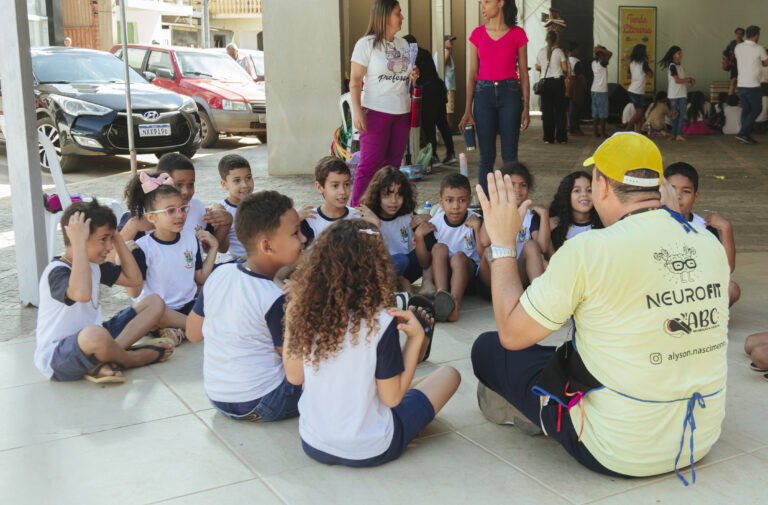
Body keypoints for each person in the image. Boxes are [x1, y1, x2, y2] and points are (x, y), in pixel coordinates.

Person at [472, 132, 729, 484]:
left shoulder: (589, 249)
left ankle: (529, 410)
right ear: (660, 188)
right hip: (699, 439)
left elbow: (513, 334)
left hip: (618, 450)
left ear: (602, 187)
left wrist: (502, 243)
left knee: (489, 348)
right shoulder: (707, 243)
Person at [283, 218, 460, 467]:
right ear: (377, 268)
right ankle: (417, 352)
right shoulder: (381, 322)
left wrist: (293, 312)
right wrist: (415, 340)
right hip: (370, 447)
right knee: (449, 375)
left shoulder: (300, 310)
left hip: (314, 442)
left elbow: (294, 376)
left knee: (380, 384)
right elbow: (391, 399)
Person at [186, 191, 305, 421]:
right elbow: (295, 371)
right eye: (295, 233)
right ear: (267, 246)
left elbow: (192, 333)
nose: (302, 239)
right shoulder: (275, 297)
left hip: (218, 397)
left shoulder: (220, 273)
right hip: (264, 401)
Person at [34, 201, 173, 384]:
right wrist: (78, 243)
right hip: (59, 356)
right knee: (94, 335)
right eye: (103, 239)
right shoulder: (56, 271)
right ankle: (131, 359)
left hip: (98, 337)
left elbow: (134, 281)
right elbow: (82, 293)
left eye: (110, 239)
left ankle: (107, 358)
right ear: (79, 239)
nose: (109, 247)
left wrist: (117, 238)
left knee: (154, 302)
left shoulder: (94, 266)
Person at [125, 173, 218, 344]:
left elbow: (200, 278)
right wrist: (124, 259)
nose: (180, 215)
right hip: (161, 310)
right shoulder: (143, 247)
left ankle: (179, 329)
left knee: (218, 301)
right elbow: (135, 293)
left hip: (189, 305)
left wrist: (214, 248)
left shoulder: (190, 238)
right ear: (151, 217)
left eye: (182, 208)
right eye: (170, 211)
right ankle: (195, 327)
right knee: (153, 314)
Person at [349, 0, 419, 207]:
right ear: (385, 16)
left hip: (401, 113)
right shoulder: (366, 44)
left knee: (393, 168)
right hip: (375, 112)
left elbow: (405, 75)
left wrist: (413, 74)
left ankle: (386, 211)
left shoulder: (403, 44)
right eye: (398, 13)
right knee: (369, 166)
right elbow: (354, 81)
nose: (402, 18)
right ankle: (355, 213)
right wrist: (357, 111)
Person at [460, 0, 530, 197]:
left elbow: (523, 72)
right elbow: (472, 74)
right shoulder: (477, 34)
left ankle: (510, 203)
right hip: (483, 94)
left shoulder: (518, 34)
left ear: (501, 3)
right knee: (486, 157)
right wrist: (467, 109)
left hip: (511, 93)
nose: (482, 6)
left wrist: (526, 105)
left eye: (486, 2)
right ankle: (486, 206)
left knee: (510, 157)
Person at [118, 153, 231, 254]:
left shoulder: (197, 207)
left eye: (191, 184)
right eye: (178, 184)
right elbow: (110, 259)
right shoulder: (138, 215)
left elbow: (215, 248)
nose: (186, 191)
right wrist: (134, 226)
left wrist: (225, 224)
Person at [664, 162, 740, 306]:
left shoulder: (704, 227)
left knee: (732, 289)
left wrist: (726, 229)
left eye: (685, 191)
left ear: (695, 196)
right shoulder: (650, 222)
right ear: (661, 192)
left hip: (694, 291)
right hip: (661, 291)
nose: (678, 196)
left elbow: (726, 269)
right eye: (672, 189)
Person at [413, 174, 486, 323]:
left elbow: (483, 254)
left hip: (469, 278)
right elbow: (424, 263)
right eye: (449, 200)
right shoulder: (435, 224)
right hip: (444, 276)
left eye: (462, 200)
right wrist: (419, 238)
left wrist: (478, 229)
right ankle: (441, 296)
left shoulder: (476, 220)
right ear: (440, 202)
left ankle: (454, 306)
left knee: (459, 257)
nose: (455, 206)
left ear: (469, 200)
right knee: (439, 248)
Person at [478, 161, 550, 287]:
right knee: (489, 250)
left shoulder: (531, 215)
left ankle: (537, 294)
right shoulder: (495, 210)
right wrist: (492, 208)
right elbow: (484, 241)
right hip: (493, 276)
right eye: (512, 185)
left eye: (523, 185)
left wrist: (544, 215)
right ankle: (503, 295)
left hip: (518, 273)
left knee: (532, 245)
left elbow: (543, 248)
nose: (517, 190)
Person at [360, 165, 427, 292]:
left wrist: (427, 219)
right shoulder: (367, 217)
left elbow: (429, 236)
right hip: (379, 271)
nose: (393, 201)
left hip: (405, 268)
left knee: (428, 244)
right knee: (400, 260)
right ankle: (399, 285)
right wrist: (375, 225)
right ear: (377, 195)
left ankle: (404, 283)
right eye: (387, 195)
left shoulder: (408, 216)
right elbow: (365, 255)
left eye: (399, 195)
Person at [403, 34, 455, 165]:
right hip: (439, 88)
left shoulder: (412, 56)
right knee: (442, 122)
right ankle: (451, 153)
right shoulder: (425, 52)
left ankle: (433, 156)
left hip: (428, 92)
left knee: (429, 124)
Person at [300, 156, 363, 246]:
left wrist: (375, 225)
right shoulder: (310, 221)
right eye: (335, 185)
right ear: (319, 187)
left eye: (346, 184)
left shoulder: (358, 217)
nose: (343, 191)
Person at [548, 171, 602, 253]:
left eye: (589, 190)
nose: (584, 194)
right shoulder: (555, 225)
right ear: (566, 196)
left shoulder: (605, 224)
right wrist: (547, 231)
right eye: (577, 190)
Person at [734, 25, 768, 144]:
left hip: (741, 83)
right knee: (757, 108)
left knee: (746, 109)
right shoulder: (759, 48)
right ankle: (742, 133)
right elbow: (766, 63)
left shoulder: (738, 47)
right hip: (753, 84)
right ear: (756, 35)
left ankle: (744, 135)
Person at [218, 154, 254, 262]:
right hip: (233, 263)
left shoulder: (259, 204)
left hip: (257, 260)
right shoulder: (222, 210)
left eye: (248, 178)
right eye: (237, 181)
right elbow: (221, 248)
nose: (245, 185)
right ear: (224, 184)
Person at [536, 30, 569, 143]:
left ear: (546, 39)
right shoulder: (559, 51)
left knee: (547, 111)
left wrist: (545, 69)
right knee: (560, 111)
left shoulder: (541, 51)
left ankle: (548, 138)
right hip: (557, 82)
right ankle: (561, 138)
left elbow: (537, 66)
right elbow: (565, 69)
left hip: (545, 84)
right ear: (556, 39)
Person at [659, 45, 695, 142]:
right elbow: (677, 80)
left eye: (680, 53)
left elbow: (680, 80)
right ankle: (674, 134)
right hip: (674, 95)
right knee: (674, 115)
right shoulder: (672, 66)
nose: (681, 55)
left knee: (682, 115)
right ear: (673, 55)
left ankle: (678, 134)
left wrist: (688, 80)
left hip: (682, 94)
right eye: (679, 53)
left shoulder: (680, 66)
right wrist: (689, 79)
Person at [625, 44, 653, 132]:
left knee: (639, 114)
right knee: (640, 113)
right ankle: (626, 129)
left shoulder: (632, 63)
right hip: (637, 91)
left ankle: (638, 132)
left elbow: (628, 76)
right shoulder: (643, 63)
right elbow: (650, 74)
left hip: (632, 90)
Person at [435, 35, 458, 131]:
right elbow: (441, 66)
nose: (452, 42)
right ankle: (448, 130)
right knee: (449, 110)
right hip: (447, 86)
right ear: (444, 42)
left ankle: (446, 130)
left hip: (444, 85)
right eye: (449, 40)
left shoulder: (439, 53)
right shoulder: (446, 52)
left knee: (447, 109)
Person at [591, 45, 612, 138]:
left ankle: (595, 132)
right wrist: (602, 49)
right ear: (601, 55)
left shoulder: (593, 63)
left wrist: (600, 50)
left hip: (594, 90)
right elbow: (610, 54)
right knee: (603, 113)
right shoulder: (602, 63)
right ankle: (602, 133)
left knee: (595, 113)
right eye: (604, 55)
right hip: (602, 91)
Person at [566, 42, 585, 136]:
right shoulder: (576, 61)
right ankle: (573, 129)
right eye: (577, 49)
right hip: (575, 85)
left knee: (569, 108)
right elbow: (580, 75)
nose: (578, 51)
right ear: (573, 51)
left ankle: (570, 127)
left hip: (566, 84)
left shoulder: (565, 60)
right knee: (574, 108)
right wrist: (584, 84)